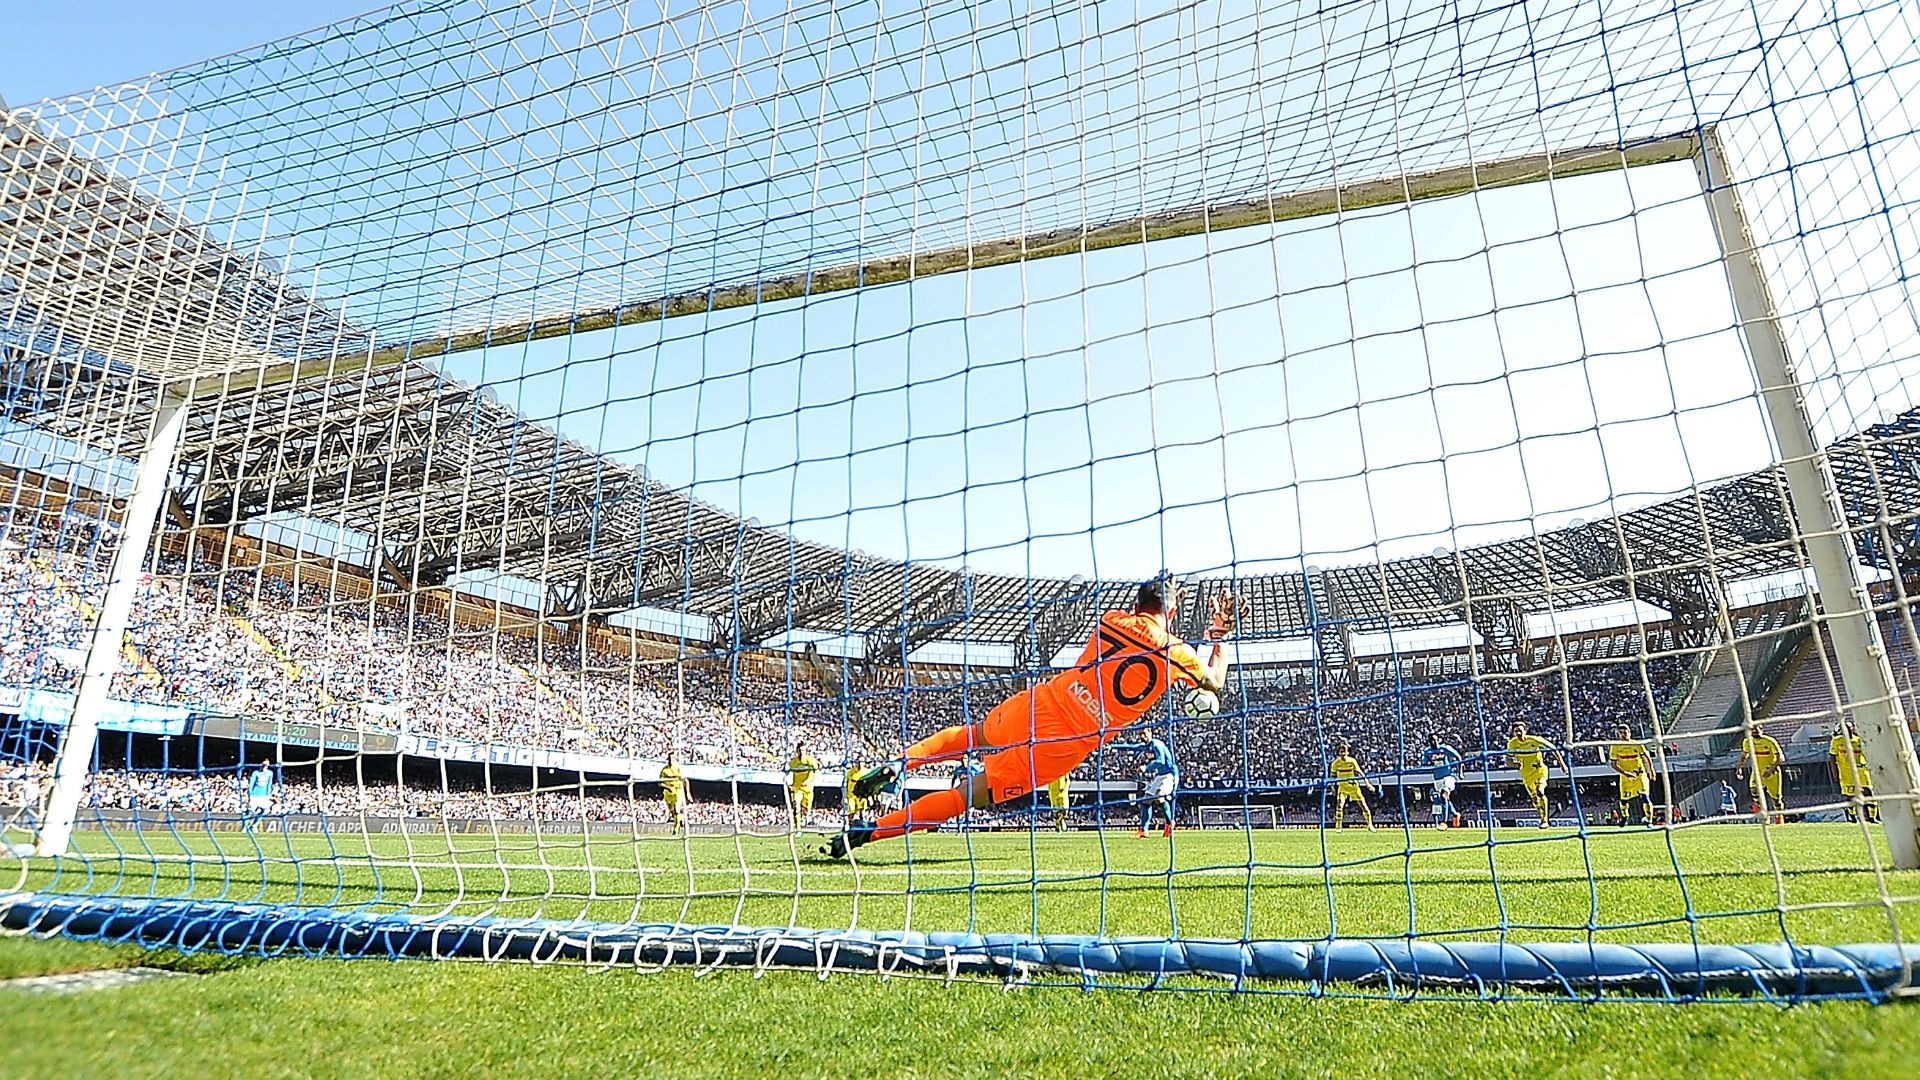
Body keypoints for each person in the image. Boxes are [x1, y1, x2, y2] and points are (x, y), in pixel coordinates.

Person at [828, 577, 1235, 857]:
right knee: (966, 796)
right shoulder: (1177, 652)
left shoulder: (1112, 619)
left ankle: (903, 761)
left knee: (973, 735)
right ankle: (870, 832)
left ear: (1136, 605)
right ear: (1175, 610)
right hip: (1069, 740)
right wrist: (1218, 635)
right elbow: (1214, 681)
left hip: (1044, 700)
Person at [1114, 734, 1179, 838]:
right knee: (1146, 799)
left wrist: (1146, 767)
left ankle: (1169, 823)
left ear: (1150, 732)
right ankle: (1144, 830)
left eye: (1145, 733)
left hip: (1169, 774)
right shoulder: (1146, 746)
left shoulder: (1157, 745)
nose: (1143, 736)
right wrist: (1112, 746)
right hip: (1160, 776)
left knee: (1159, 795)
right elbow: (1131, 747)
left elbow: (1161, 761)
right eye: (1141, 734)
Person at [1506, 721, 1563, 828]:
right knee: (1534, 799)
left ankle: (1545, 820)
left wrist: (1562, 764)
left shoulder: (1535, 740)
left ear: (1525, 731)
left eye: (1520, 731)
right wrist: (1515, 764)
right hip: (1526, 775)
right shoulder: (1512, 744)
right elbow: (1508, 760)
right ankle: (1542, 817)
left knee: (1540, 791)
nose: (1518, 733)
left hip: (1539, 770)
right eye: (1516, 731)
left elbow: (1553, 748)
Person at [1828, 720, 1877, 823]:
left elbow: (1869, 755)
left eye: (1850, 729)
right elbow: (1832, 758)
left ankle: (1873, 817)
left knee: (1868, 791)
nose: (1848, 731)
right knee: (1849, 795)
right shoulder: (1836, 741)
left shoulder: (1859, 740)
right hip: (1846, 773)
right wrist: (1834, 773)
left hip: (1861, 771)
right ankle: (1853, 817)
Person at [1607, 725, 1656, 827]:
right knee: (1624, 800)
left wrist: (1651, 770)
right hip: (1625, 777)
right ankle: (1625, 816)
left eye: (1625, 732)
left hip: (1639, 774)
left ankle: (1649, 821)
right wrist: (1625, 773)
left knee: (1645, 797)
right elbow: (1613, 764)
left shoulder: (1637, 744)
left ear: (1629, 732)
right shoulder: (1615, 746)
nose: (1623, 735)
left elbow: (1646, 756)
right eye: (1621, 733)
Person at [1735, 728, 1786, 824]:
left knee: (1776, 799)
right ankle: (1764, 814)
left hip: (1772, 773)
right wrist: (1739, 768)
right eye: (1752, 730)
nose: (1754, 732)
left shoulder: (1770, 741)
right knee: (1753, 789)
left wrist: (1771, 769)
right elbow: (1744, 756)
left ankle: (1779, 816)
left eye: (1756, 730)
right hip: (1757, 772)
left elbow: (1781, 758)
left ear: (1762, 730)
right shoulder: (1747, 742)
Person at [1327, 740, 1374, 831]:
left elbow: (1360, 773)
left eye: (1344, 751)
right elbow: (1332, 777)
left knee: (1363, 806)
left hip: (1353, 787)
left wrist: (1368, 783)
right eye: (1341, 752)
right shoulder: (1335, 763)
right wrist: (1332, 787)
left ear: (1348, 752)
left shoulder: (1352, 761)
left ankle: (1370, 825)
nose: (1343, 753)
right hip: (1343, 787)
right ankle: (1339, 826)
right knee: (1339, 805)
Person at [1422, 732, 1463, 829]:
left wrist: (1460, 772)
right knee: (1444, 799)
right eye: (1432, 740)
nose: (1434, 742)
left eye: (1436, 740)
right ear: (1429, 741)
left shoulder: (1445, 748)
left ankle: (1444, 822)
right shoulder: (1427, 752)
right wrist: (1428, 763)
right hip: (1437, 778)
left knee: (1444, 795)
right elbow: (1425, 763)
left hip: (1448, 776)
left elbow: (1459, 757)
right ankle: (1455, 814)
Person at [787, 744, 817, 828]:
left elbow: (814, 772)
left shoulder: (810, 760)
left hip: (808, 789)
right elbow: (787, 772)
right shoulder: (793, 762)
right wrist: (788, 782)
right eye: (800, 750)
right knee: (796, 806)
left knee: (806, 810)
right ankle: (798, 828)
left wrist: (809, 780)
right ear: (797, 751)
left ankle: (803, 818)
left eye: (803, 750)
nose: (802, 752)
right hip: (797, 788)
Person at [658, 757, 686, 832]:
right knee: (672, 811)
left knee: (677, 809)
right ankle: (679, 820)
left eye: (672, 759)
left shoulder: (678, 768)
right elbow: (660, 783)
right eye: (669, 759)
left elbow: (685, 779)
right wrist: (667, 787)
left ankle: (676, 829)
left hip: (678, 790)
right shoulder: (664, 770)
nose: (671, 761)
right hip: (668, 792)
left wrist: (688, 792)